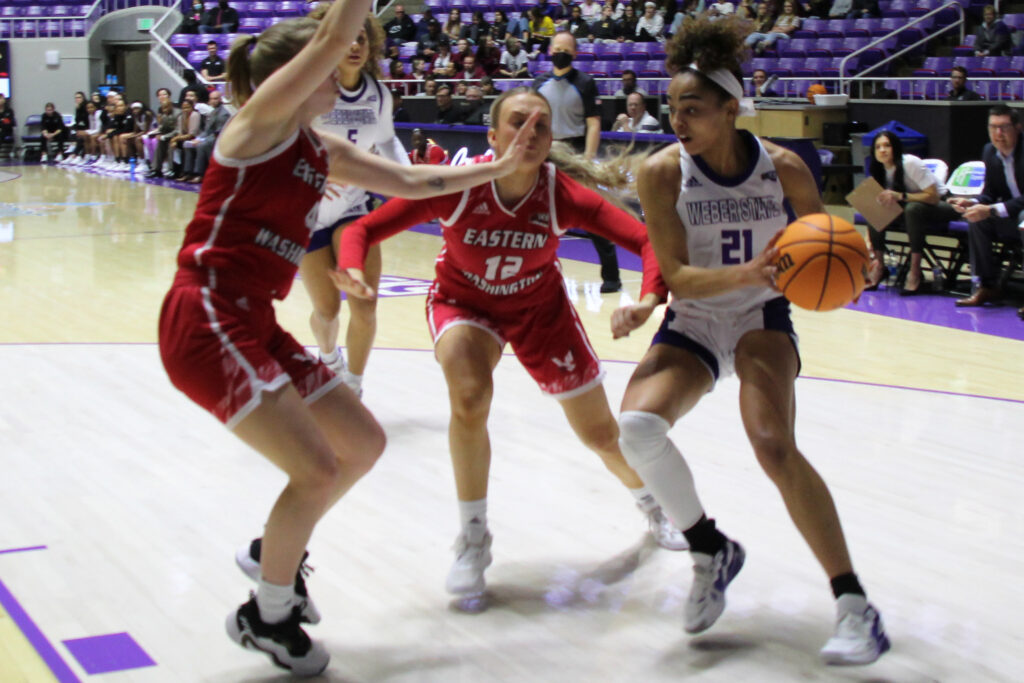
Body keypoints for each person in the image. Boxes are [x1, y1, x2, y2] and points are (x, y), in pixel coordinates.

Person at [158, 0, 541, 673]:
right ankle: (266, 614)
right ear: (296, 76)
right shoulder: (257, 127)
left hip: (252, 321)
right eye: (332, 60)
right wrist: (344, 21)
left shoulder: (319, 148)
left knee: (361, 443)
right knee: (314, 467)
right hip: (206, 316)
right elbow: (340, 27)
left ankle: (270, 548)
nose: (345, 63)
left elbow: (414, 181)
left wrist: (498, 165)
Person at [334, 86, 689, 601]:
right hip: (465, 304)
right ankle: (473, 537)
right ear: (492, 135)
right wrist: (349, 269)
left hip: (539, 310)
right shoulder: (456, 185)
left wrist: (650, 296)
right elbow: (363, 229)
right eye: (517, 122)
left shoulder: (558, 192)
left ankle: (653, 506)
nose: (529, 132)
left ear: (550, 140)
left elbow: (643, 238)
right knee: (470, 396)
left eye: (540, 125)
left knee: (599, 435)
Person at [615, 16, 890, 665]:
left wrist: (866, 252)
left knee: (772, 444)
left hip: (762, 316)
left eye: (693, 108)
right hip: (700, 316)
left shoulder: (785, 166)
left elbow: (835, 230)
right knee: (636, 428)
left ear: (731, 108)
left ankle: (855, 604)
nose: (678, 119)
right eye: (672, 107)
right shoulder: (661, 173)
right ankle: (710, 546)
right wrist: (745, 271)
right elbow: (678, 276)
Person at [296, 8, 409, 397]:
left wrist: (409, 181)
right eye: (349, 37)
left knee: (365, 305)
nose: (356, 45)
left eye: (363, 38)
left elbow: (387, 141)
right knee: (326, 311)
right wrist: (308, 174)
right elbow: (283, 140)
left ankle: (353, 387)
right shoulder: (310, 88)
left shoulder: (377, 94)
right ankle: (328, 357)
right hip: (308, 213)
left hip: (353, 207)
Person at [533, 32, 623, 293]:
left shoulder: (585, 83)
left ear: (574, 53)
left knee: (590, 213)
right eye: (557, 48)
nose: (561, 52)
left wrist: (588, 159)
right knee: (537, 214)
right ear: (550, 51)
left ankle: (612, 275)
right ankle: (534, 274)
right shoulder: (538, 83)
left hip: (575, 151)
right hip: (547, 150)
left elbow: (593, 123)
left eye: (566, 49)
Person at [949, 105, 1024, 316]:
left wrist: (990, 209)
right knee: (976, 219)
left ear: (1018, 127)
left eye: (1004, 127)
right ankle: (988, 286)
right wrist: (972, 202)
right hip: (1010, 213)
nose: (998, 134)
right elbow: (990, 192)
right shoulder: (989, 151)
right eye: (993, 127)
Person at [863, 131, 959, 294]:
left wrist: (901, 196)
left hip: (941, 204)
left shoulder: (910, 163)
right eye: (878, 147)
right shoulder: (877, 169)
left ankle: (915, 271)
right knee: (876, 207)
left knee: (912, 209)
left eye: (887, 145)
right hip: (909, 208)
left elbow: (933, 197)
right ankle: (879, 266)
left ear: (896, 148)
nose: (882, 150)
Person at [182, 90, 229, 183]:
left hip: (217, 138)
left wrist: (202, 140)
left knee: (201, 145)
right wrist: (198, 138)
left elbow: (218, 132)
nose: (213, 101)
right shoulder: (213, 112)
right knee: (187, 144)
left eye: (215, 99)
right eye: (211, 99)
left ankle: (200, 174)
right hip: (209, 136)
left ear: (220, 99)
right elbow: (206, 130)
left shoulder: (224, 113)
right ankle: (188, 172)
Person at [0, 94, 15, 158]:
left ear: (4, 100)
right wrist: (3, 120)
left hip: (7, 131)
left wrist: (2, 123)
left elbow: (10, 123)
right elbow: (5, 121)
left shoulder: (9, 111)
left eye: (1, 98)